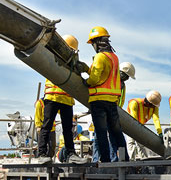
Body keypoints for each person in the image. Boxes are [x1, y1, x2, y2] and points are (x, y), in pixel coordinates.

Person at [38, 35, 85, 164]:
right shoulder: (52, 56)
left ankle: (70, 154)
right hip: (53, 96)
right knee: (47, 125)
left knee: (67, 128)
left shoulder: (73, 61)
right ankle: (41, 154)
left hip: (65, 98)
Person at [82, 26, 127, 162]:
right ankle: (124, 159)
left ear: (97, 42)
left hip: (99, 100)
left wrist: (87, 82)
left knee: (101, 133)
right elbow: (107, 76)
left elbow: (96, 78)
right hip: (112, 101)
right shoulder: (114, 57)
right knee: (116, 132)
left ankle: (106, 160)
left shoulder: (100, 57)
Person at [126, 91, 162, 160]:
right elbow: (133, 120)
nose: (154, 107)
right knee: (131, 141)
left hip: (140, 125)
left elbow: (156, 119)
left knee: (141, 143)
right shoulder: (134, 103)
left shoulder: (154, 107)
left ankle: (144, 161)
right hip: (130, 124)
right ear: (148, 103)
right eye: (153, 106)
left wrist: (159, 132)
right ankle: (131, 161)